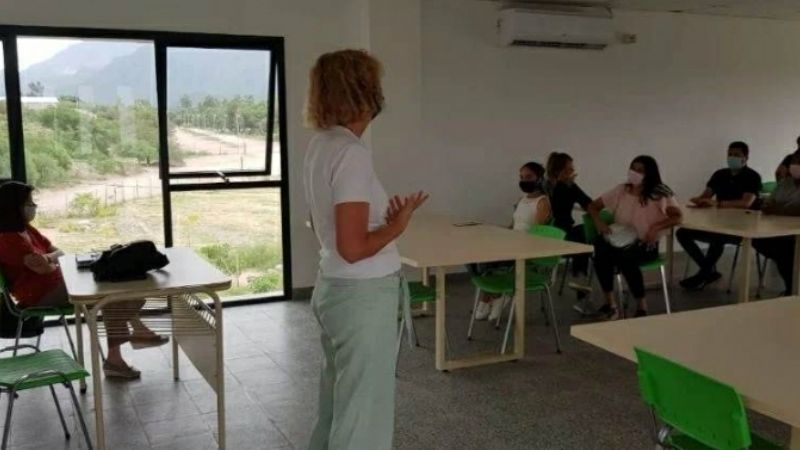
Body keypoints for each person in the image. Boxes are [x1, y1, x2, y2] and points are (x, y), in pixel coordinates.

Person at [303, 49, 428, 450]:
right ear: (364, 92)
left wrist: (383, 221)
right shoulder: (351, 153)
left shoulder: (322, 144)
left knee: (337, 405)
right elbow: (353, 247)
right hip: (361, 296)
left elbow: (332, 227)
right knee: (363, 416)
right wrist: (397, 224)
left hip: (336, 289)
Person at [0, 181, 167, 379]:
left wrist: (48, 260)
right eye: (28, 203)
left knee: (115, 288)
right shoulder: (7, 239)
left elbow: (59, 252)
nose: (33, 206)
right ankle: (124, 350)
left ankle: (127, 346)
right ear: (13, 207)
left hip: (56, 282)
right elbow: (45, 268)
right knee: (110, 293)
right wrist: (51, 261)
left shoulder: (26, 230)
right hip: (39, 294)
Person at [587, 156, 682, 320]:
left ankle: (641, 306)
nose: (635, 173)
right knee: (600, 249)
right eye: (633, 168)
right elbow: (592, 206)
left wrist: (655, 228)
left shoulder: (660, 192)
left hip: (645, 244)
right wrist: (599, 222)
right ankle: (610, 303)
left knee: (626, 258)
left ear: (649, 173)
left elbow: (677, 217)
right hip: (619, 238)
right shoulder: (621, 189)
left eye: (640, 170)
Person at [677, 141, 762, 290]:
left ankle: (703, 275)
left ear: (746, 157)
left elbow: (746, 203)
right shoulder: (720, 174)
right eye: (730, 154)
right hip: (717, 223)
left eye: (736, 155)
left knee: (717, 238)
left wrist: (718, 204)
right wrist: (699, 201)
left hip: (741, 227)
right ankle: (708, 271)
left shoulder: (752, 176)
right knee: (682, 233)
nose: (732, 157)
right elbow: (706, 196)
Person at [473, 162, 551, 322]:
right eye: (521, 177)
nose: (524, 180)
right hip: (511, 244)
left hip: (525, 249)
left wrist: (512, 240)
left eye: (529, 177)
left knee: (488, 262)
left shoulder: (542, 202)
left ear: (540, 178)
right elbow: (513, 225)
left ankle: (490, 298)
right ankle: (495, 296)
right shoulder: (521, 200)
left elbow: (536, 233)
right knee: (475, 258)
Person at [544, 152, 593, 314]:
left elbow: (588, 203)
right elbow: (587, 203)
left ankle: (580, 279)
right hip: (552, 235)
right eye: (569, 168)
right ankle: (580, 279)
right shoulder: (549, 187)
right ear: (559, 170)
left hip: (562, 233)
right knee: (582, 237)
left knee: (583, 235)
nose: (572, 171)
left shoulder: (566, 185)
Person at [754, 150, 800, 294]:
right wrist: (784, 209)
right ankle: (792, 287)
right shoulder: (784, 183)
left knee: (785, 250)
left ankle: (791, 289)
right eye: (794, 162)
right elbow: (766, 205)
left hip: (795, 234)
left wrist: (778, 209)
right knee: (758, 241)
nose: (796, 166)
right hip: (780, 231)